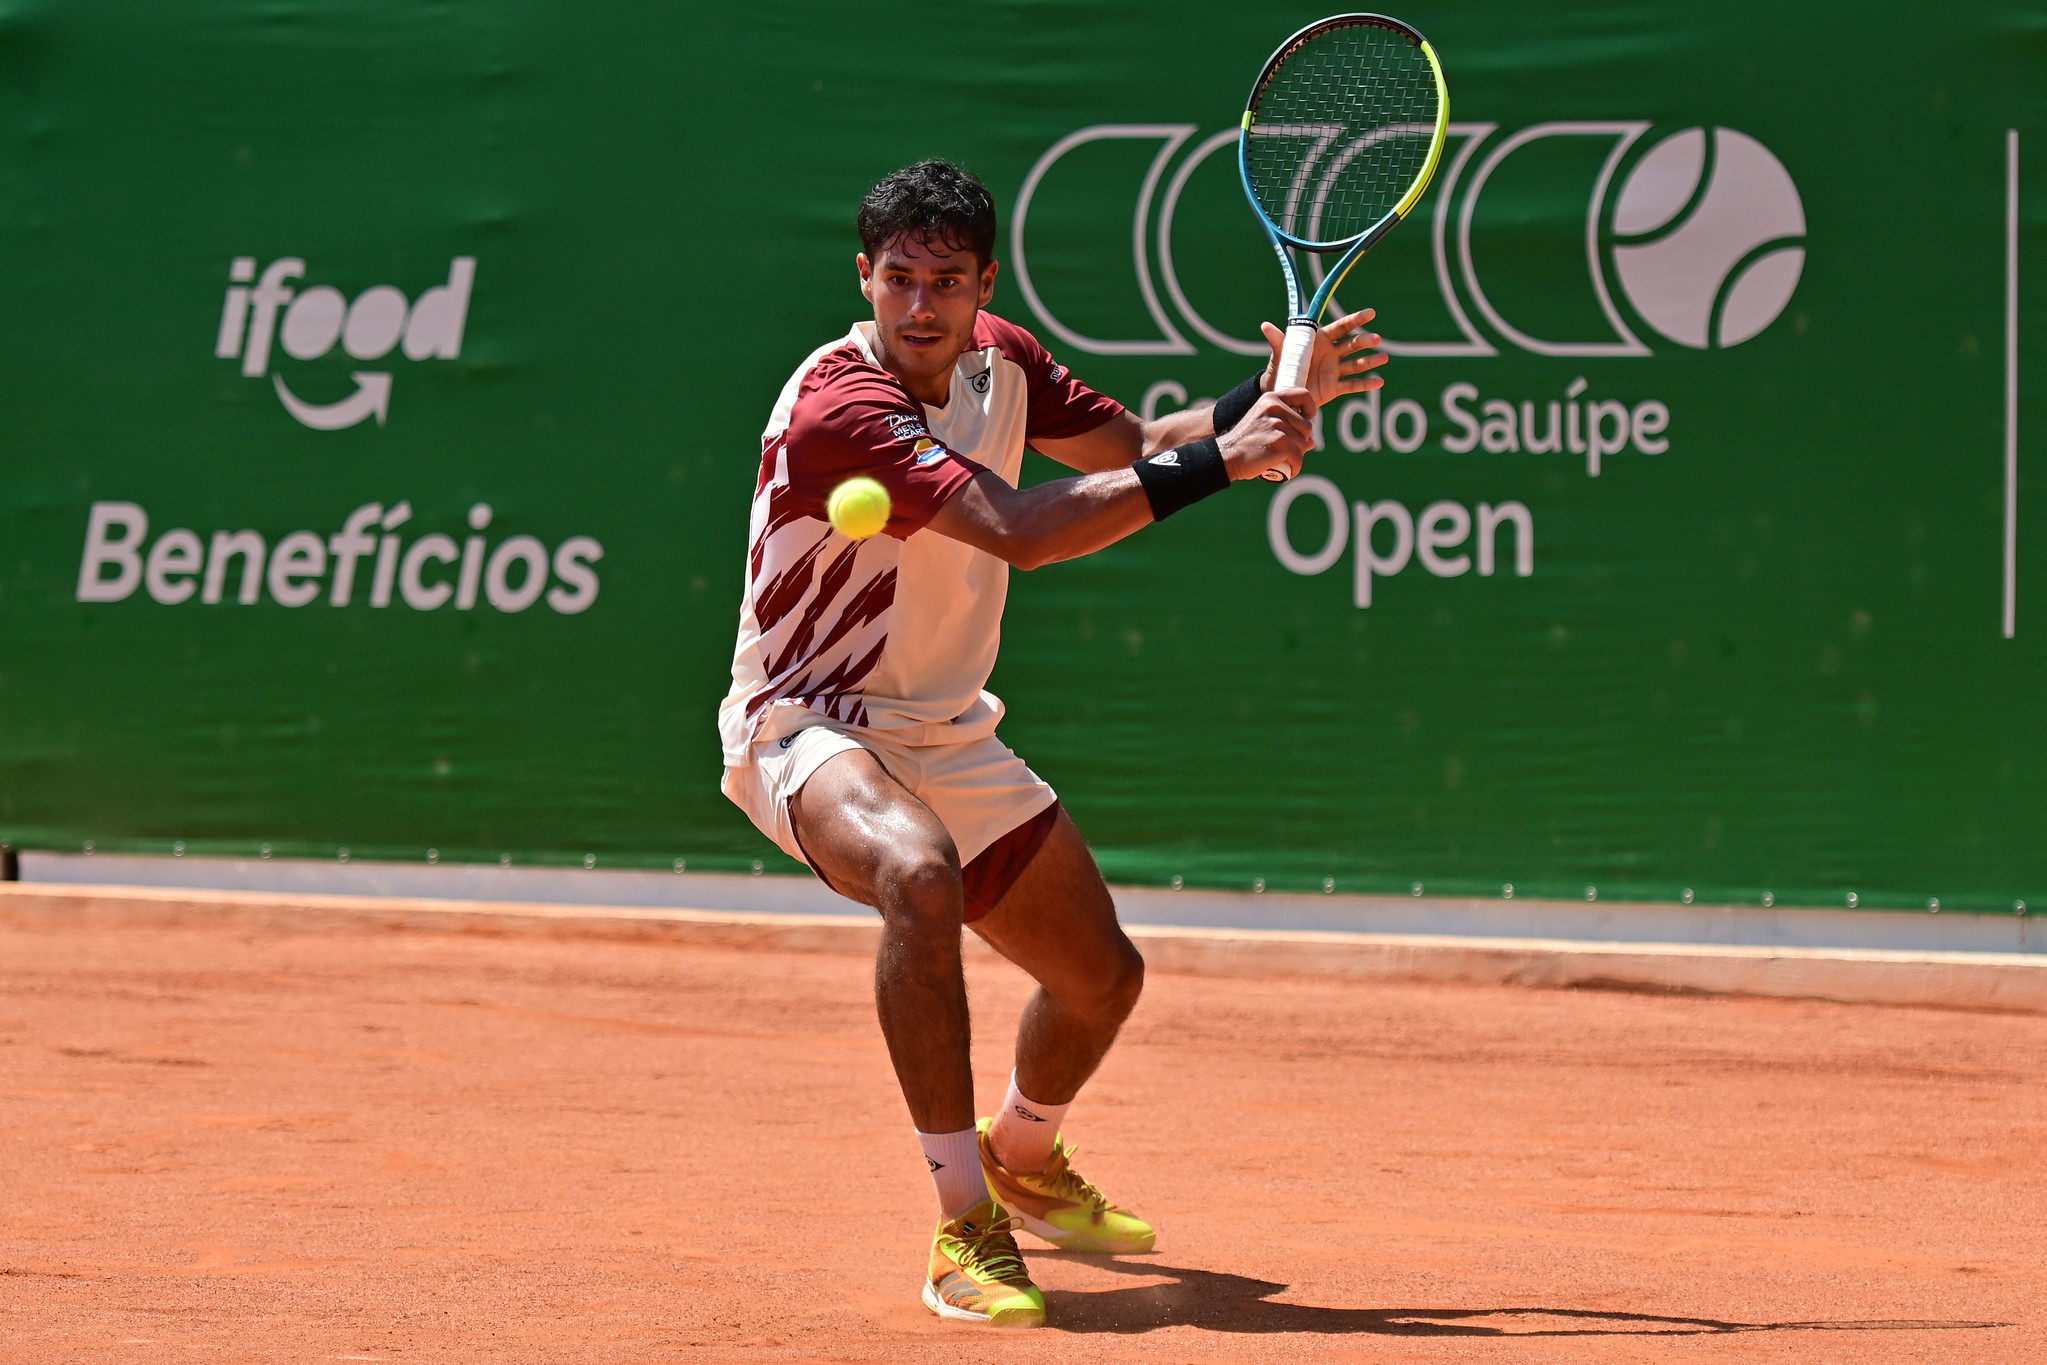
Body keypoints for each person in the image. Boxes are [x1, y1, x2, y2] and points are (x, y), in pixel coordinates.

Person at [718, 159, 1384, 1328]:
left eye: (946, 283)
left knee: (1101, 980)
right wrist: (1224, 462)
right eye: (899, 280)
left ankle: (1022, 1154)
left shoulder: (1003, 360)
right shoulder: (842, 405)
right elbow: (1020, 532)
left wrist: (1268, 392)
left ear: (984, 286)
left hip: (946, 725)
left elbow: (1136, 443)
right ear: (863, 277)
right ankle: (962, 1222)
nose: (919, 307)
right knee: (918, 879)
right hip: (806, 721)